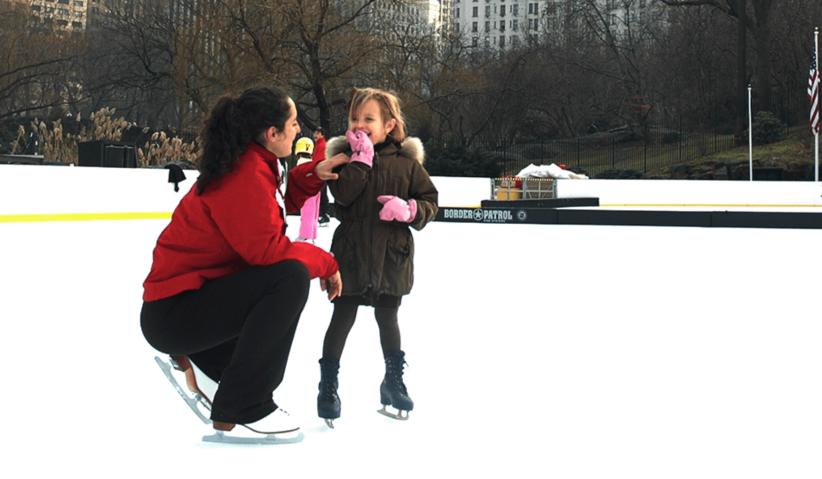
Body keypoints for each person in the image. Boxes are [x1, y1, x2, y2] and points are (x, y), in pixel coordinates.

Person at [140, 86, 346, 442]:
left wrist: (314, 174)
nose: (299, 130)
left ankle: (210, 364)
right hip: (173, 313)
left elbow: (272, 207)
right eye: (293, 123)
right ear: (272, 133)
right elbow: (266, 251)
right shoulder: (245, 173)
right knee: (289, 278)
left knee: (283, 275)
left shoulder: (257, 162)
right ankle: (244, 405)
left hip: (185, 307)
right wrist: (326, 262)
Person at [316, 87, 438, 426]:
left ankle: (393, 382)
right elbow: (342, 197)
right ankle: (328, 386)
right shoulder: (343, 161)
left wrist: (410, 210)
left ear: (390, 125)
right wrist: (360, 161)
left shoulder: (408, 165)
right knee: (342, 317)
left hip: (391, 256)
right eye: (354, 118)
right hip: (351, 254)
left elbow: (431, 202)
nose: (359, 124)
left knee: (388, 319)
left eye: (368, 118)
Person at [294, 137, 320, 243]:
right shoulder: (312, 162)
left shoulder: (300, 162)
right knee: (314, 213)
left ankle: (305, 235)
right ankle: (313, 233)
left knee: (306, 213)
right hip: (316, 189)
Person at [313, 127, 332, 227]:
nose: (315, 135)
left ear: (322, 135)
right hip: (321, 171)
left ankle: (324, 214)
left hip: (321, 172)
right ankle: (324, 213)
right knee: (322, 193)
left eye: (317, 133)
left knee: (321, 193)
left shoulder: (321, 145)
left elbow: (319, 159)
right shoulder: (320, 145)